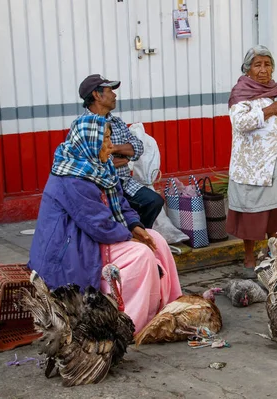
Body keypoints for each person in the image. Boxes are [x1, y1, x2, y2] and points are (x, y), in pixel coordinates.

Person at [28, 114, 182, 332]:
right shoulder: (71, 177)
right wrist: (132, 238)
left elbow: (119, 202)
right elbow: (98, 225)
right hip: (72, 247)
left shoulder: (101, 166)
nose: (111, 147)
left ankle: (167, 307)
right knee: (142, 255)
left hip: (95, 235)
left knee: (157, 240)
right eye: (106, 140)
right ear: (90, 143)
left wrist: (136, 227)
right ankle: (131, 325)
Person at [227, 45, 277, 275]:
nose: (263, 69)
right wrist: (271, 110)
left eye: (267, 64)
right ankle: (249, 259)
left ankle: (276, 259)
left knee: (276, 216)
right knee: (252, 215)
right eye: (257, 64)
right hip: (252, 167)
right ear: (247, 69)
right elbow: (240, 123)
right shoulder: (242, 93)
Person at [78, 74, 164, 228]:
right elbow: (95, 163)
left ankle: (137, 238)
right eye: (110, 90)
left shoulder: (116, 122)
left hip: (124, 182)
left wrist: (114, 149)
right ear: (97, 95)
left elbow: (138, 147)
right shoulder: (84, 126)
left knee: (154, 201)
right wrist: (122, 158)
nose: (114, 94)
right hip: (101, 186)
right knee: (117, 212)